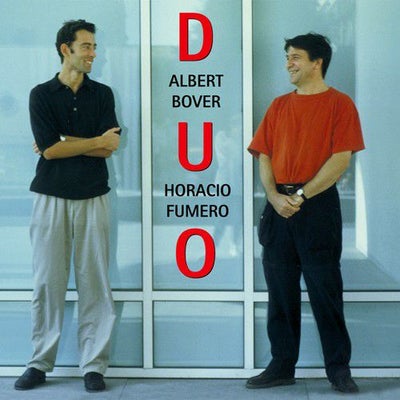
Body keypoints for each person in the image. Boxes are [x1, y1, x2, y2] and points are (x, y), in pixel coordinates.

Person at [247, 33, 365, 393]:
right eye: (287, 57)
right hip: (278, 207)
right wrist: (273, 196)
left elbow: (341, 159)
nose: (289, 64)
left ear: (318, 62)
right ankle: (281, 366)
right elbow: (264, 155)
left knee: (325, 290)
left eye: (296, 57)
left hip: (317, 206)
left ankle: (338, 369)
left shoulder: (340, 104)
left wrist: (300, 196)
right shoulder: (279, 106)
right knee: (280, 293)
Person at [14, 19, 121, 392]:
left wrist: (63, 141)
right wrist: (86, 141)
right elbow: (50, 150)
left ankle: (94, 366)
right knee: (47, 282)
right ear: (66, 49)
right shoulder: (41, 94)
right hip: (50, 197)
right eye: (87, 46)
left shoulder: (102, 94)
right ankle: (39, 363)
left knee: (96, 282)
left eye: (94, 46)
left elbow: (110, 146)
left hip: (93, 196)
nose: (93, 53)